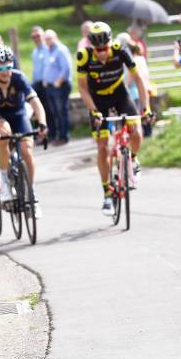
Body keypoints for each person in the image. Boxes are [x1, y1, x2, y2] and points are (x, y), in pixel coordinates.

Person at [76, 22, 151, 216]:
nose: (101, 52)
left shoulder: (121, 50)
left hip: (120, 96)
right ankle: (107, 193)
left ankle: (132, 160)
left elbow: (139, 79)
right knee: (102, 146)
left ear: (111, 43)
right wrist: (93, 110)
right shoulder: (84, 56)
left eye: (105, 48)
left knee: (135, 130)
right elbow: (82, 87)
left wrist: (146, 107)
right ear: (92, 46)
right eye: (98, 49)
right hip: (97, 100)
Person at [0, 46, 47, 217]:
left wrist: (42, 123)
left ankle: (31, 193)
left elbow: (36, 103)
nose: (4, 72)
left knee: (27, 151)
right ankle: (5, 182)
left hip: (19, 115)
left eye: (8, 67)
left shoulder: (19, 78)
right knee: (4, 133)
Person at [42, 29, 72, 144]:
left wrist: (59, 81)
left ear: (56, 37)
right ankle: (57, 135)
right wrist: (45, 80)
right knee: (54, 112)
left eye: (49, 38)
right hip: (50, 86)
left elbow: (66, 68)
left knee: (61, 112)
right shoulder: (47, 50)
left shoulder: (61, 49)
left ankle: (64, 137)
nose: (47, 41)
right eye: (46, 39)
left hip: (60, 86)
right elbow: (47, 67)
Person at [30, 26, 52, 136]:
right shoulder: (35, 51)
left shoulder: (48, 49)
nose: (36, 38)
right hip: (37, 84)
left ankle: (51, 133)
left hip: (46, 84)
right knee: (40, 109)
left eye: (38, 35)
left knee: (49, 110)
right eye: (34, 36)